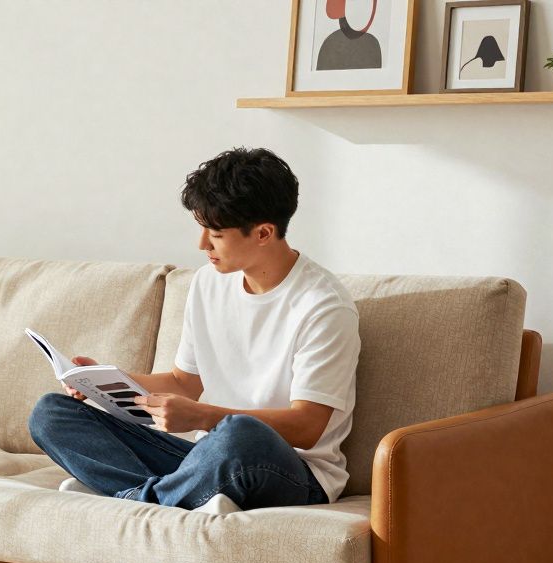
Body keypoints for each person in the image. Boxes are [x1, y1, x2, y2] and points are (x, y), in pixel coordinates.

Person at [28, 148, 360, 513]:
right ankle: (173, 497)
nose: (201, 244)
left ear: (263, 232)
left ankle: (131, 499)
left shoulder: (323, 306)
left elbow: (307, 426)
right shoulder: (207, 283)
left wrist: (202, 417)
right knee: (51, 414)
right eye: (201, 228)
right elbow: (185, 382)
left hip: (289, 471)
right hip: (206, 460)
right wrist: (102, 380)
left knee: (239, 433)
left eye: (215, 233)